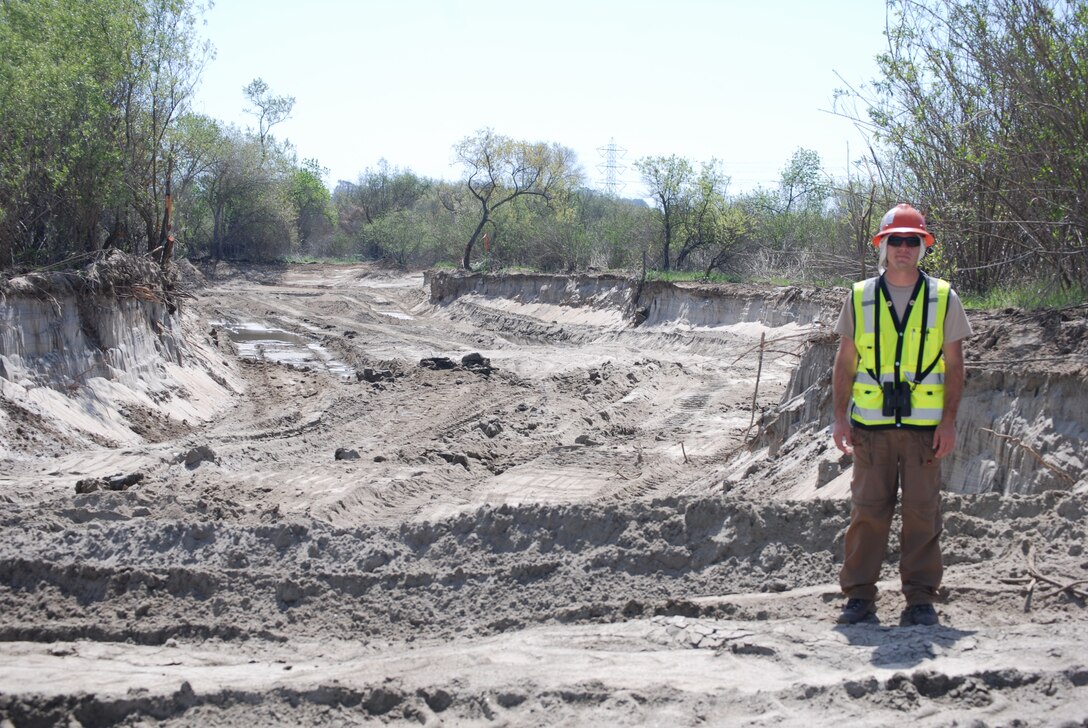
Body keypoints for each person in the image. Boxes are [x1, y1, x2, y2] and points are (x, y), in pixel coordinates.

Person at [831, 203, 972, 627]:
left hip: (923, 430)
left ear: (924, 246)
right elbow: (845, 360)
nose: (904, 248)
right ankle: (859, 597)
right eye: (897, 240)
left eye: (913, 240)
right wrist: (840, 418)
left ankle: (921, 599)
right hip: (871, 429)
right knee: (868, 512)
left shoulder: (943, 296)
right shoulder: (859, 296)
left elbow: (956, 362)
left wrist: (948, 421)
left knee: (922, 513)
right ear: (883, 245)